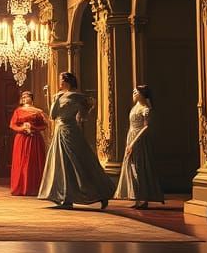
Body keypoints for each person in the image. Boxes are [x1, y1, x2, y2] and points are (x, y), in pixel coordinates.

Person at [37, 72, 114, 209]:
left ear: (67, 81)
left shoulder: (78, 96)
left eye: (61, 80)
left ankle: (101, 194)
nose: (59, 82)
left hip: (72, 131)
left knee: (80, 162)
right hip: (59, 131)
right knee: (61, 164)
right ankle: (65, 198)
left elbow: (84, 115)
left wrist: (84, 112)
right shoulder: (58, 96)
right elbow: (53, 116)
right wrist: (55, 98)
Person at [113, 85, 164, 209]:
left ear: (142, 94)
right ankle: (136, 197)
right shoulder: (135, 107)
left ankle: (144, 198)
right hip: (131, 136)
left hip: (139, 139)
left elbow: (146, 127)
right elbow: (131, 126)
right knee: (131, 166)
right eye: (133, 91)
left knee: (139, 167)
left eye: (136, 92)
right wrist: (127, 142)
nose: (134, 93)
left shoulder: (146, 108)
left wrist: (133, 142)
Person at [9, 89, 48, 196]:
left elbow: (44, 125)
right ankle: (21, 187)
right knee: (21, 162)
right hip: (21, 139)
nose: (25, 99)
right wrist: (22, 128)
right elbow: (12, 125)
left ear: (32, 98)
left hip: (34, 139)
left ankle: (34, 187)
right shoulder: (18, 111)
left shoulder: (38, 111)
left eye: (27, 97)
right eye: (23, 97)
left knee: (33, 162)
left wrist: (33, 127)